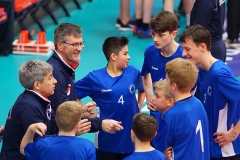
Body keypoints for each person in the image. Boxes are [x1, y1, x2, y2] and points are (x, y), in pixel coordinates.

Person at [75, 36, 145, 160]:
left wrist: (138, 107)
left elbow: (142, 88)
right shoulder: (95, 78)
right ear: (113, 56)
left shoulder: (133, 72)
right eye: (125, 53)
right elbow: (72, 93)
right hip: (106, 142)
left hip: (131, 140)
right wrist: (82, 109)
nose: (129, 57)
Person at [47, 23, 123, 134]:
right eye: (74, 45)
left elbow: (66, 109)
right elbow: (63, 119)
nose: (79, 49)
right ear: (60, 46)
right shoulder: (56, 73)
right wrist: (101, 124)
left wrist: (80, 111)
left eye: (81, 44)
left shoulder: (65, 67)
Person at [179, 24, 240, 159]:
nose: (183, 54)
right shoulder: (201, 70)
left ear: (202, 47)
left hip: (226, 151)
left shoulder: (219, 74)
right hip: (211, 147)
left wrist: (234, 133)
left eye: (187, 49)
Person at [0, 60, 58, 160]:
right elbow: (39, 147)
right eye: (50, 78)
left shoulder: (38, 100)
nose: (55, 81)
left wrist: (77, 120)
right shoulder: (30, 107)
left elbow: (54, 124)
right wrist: (68, 135)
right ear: (37, 85)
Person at [153, 58, 210, 159]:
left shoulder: (171, 115)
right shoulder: (198, 104)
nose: (165, 82)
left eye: (167, 79)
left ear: (174, 86)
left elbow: (159, 150)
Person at [141, 11, 183, 118]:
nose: (155, 39)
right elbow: (146, 76)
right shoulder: (150, 52)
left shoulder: (185, 56)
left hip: (178, 112)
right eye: (153, 34)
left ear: (173, 34)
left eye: (161, 35)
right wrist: (149, 97)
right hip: (157, 111)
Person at [20, 101, 96, 160]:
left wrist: (30, 129)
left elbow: (23, 149)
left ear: (56, 120)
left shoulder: (42, 144)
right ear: (78, 124)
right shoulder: (87, 147)